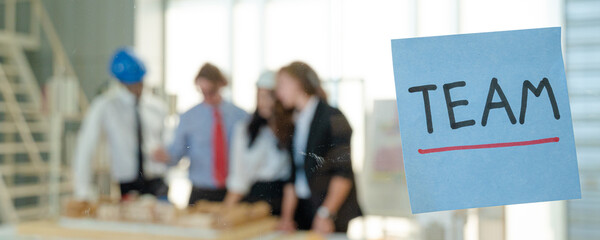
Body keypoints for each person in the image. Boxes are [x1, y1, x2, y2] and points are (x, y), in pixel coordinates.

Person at [275, 61, 362, 234]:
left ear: (298, 83)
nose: (278, 93)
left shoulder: (332, 116)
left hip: (330, 213)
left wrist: (326, 214)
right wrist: (287, 218)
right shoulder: (295, 121)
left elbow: (342, 173)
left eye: (281, 85)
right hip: (305, 210)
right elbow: (294, 175)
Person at [72, 48, 169, 200]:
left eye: (139, 82)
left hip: (157, 181)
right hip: (128, 184)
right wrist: (82, 189)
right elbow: (85, 146)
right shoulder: (105, 106)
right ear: (120, 81)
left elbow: (168, 145)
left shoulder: (158, 108)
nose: (136, 87)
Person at [154, 63, 247, 205]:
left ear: (221, 85)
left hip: (232, 191)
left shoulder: (240, 116)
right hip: (201, 191)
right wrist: (165, 156)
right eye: (203, 92)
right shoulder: (188, 117)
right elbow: (177, 155)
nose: (208, 96)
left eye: (211, 91)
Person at [222, 71, 294, 217]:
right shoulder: (244, 130)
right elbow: (239, 177)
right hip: (255, 203)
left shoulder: (291, 129)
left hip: (286, 204)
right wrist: (225, 213)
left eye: (269, 97)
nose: (264, 102)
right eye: (260, 96)